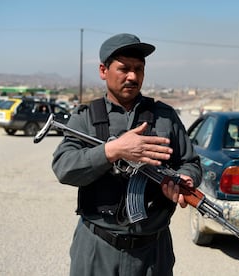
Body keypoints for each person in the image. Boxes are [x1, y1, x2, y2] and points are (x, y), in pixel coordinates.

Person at [52, 33, 202, 276]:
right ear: (103, 70)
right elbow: (64, 168)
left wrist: (185, 178)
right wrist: (112, 151)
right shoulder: (85, 117)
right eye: (124, 68)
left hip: (152, 251)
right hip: (96, 248)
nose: (132, 76)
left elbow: (190, 162)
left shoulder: (165, 117)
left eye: (139, 69)